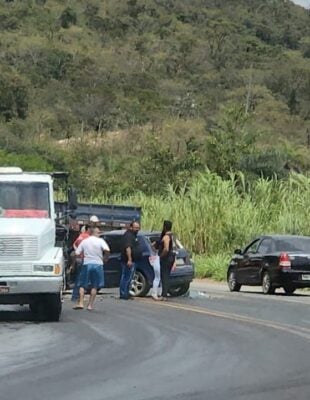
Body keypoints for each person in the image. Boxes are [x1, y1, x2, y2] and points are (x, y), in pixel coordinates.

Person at [74, 227, 110, 311]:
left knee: (82, 284)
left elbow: (77, 253)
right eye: (98, 233)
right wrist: (105, 258)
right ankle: (90, 305)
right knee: (95, 285)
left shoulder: (85, 241)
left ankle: (81, 303)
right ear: (96, 233)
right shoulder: (100, 241)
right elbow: (107, 250)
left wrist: (79, 259)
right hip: (98, 264)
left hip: (87, 263)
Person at [119, 221, 141, 300]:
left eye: (138, 228)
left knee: (129, 278)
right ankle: (123, 294)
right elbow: (128, 248)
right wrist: (129, 259)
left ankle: (126, 293)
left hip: (134, 260)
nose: (137, 229)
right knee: (126, 277)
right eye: (136, 228)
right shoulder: (128, 235)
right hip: (127, 261)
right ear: (131, 227)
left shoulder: (134, 235)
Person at [70, 224, 91, 302]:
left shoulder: (81, 236)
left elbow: (74, 244)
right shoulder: (87, 237)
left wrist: (77, 251)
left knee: (78, 278)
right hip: (84, 259)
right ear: (87, 230)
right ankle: (77, 296)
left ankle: (76, 295)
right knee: (82, 279)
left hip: (78, 259)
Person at [158, 220, 176, 301]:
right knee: (167, 276)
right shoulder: (173, 236)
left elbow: (166, 249)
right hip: (171, 258)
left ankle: (164, 295)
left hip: (166, 258)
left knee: (164, 276)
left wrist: (160, 256)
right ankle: (165, 293)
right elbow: (174, 249)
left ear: (164, 227)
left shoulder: (166, 237)